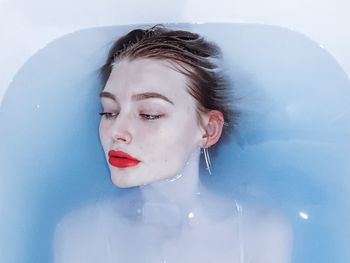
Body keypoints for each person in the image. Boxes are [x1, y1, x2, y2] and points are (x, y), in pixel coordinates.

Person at [54, 25, 293, 263]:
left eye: (149, 114)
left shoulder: (260, 232)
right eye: (109, 112)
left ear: (209, 129)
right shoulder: (80, 234)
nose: (116, 131)